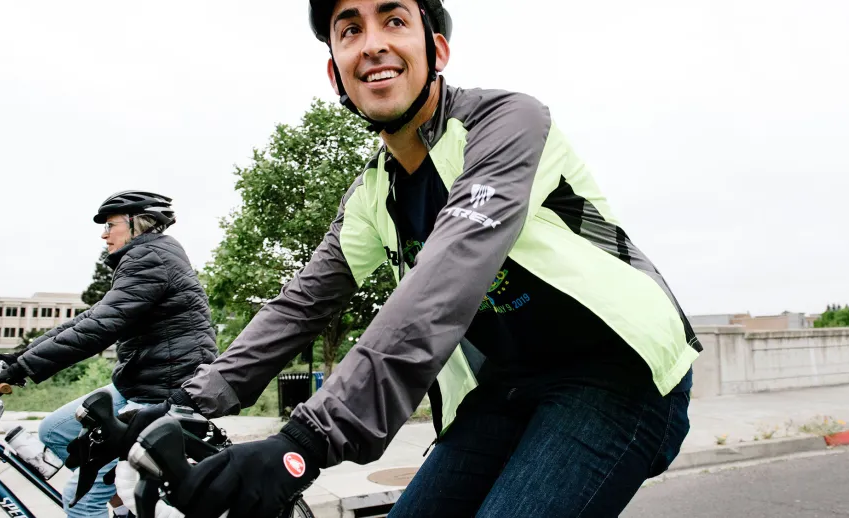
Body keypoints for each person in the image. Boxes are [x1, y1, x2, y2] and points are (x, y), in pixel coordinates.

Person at [70, 2, 702, 516]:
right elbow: (300, 304)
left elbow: (446, 274)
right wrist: (187, 402)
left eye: (393, 20)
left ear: (438, 50)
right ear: (335, 72)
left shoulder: (506, 123)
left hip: (618, 374)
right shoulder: (374, 192)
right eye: (350, 29)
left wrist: (305, 440)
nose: (371, 43)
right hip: (505, 390)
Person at [0, 190, 219, 518]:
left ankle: (119, 500)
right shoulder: (146, 257)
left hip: (163, 390)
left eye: (110, 225)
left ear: (136, 224)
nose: (103, 234)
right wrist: (16, 357)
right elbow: (88, 318)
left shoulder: (150, 258)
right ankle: (126, 507)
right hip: (139, 383)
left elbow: (100, 328)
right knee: (54, 431)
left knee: (80, 499)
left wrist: (20, 370)